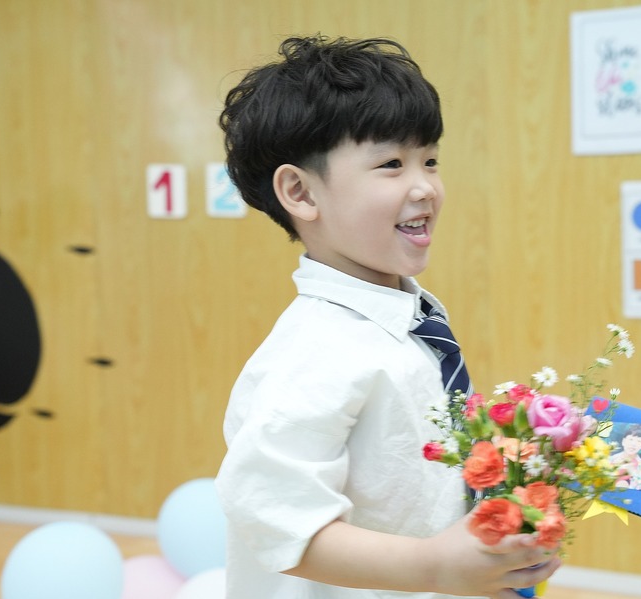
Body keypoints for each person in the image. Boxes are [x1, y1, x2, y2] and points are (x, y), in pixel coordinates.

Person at [214, 35, 561, 599]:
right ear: (300, 192)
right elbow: (276, 521)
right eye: (391, 164)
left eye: (430, 160)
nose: (425, 187)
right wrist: (433, 566)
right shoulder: (313, 351)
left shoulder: (411, 313)